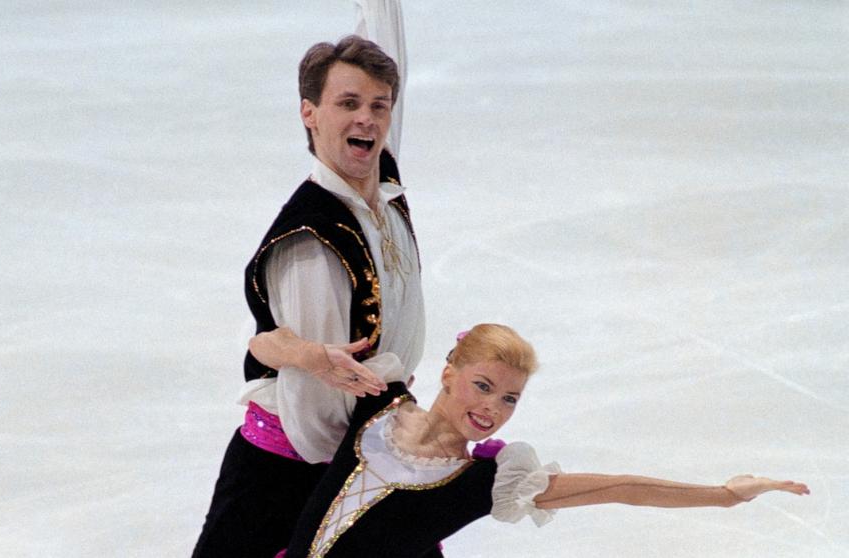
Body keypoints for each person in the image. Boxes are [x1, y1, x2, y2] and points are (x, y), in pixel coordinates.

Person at [247, 324, 811, 558]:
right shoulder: (377, 399)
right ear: (449, 374)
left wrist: (724, 494)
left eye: (509, 399)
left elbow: (618, 488)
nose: (492, 408)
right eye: (483, 386)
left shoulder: (481, 482)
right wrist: (307, 356)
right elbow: (261, 347)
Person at [192, 2, 427, 556]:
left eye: (379, 106)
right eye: (347, 104)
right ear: (309, 114)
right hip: (297, 473)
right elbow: (315, 415)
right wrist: (374, 477)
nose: (367, 117)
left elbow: (391, 63)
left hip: (370, 443)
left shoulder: (381, 179)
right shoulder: (312, 241)